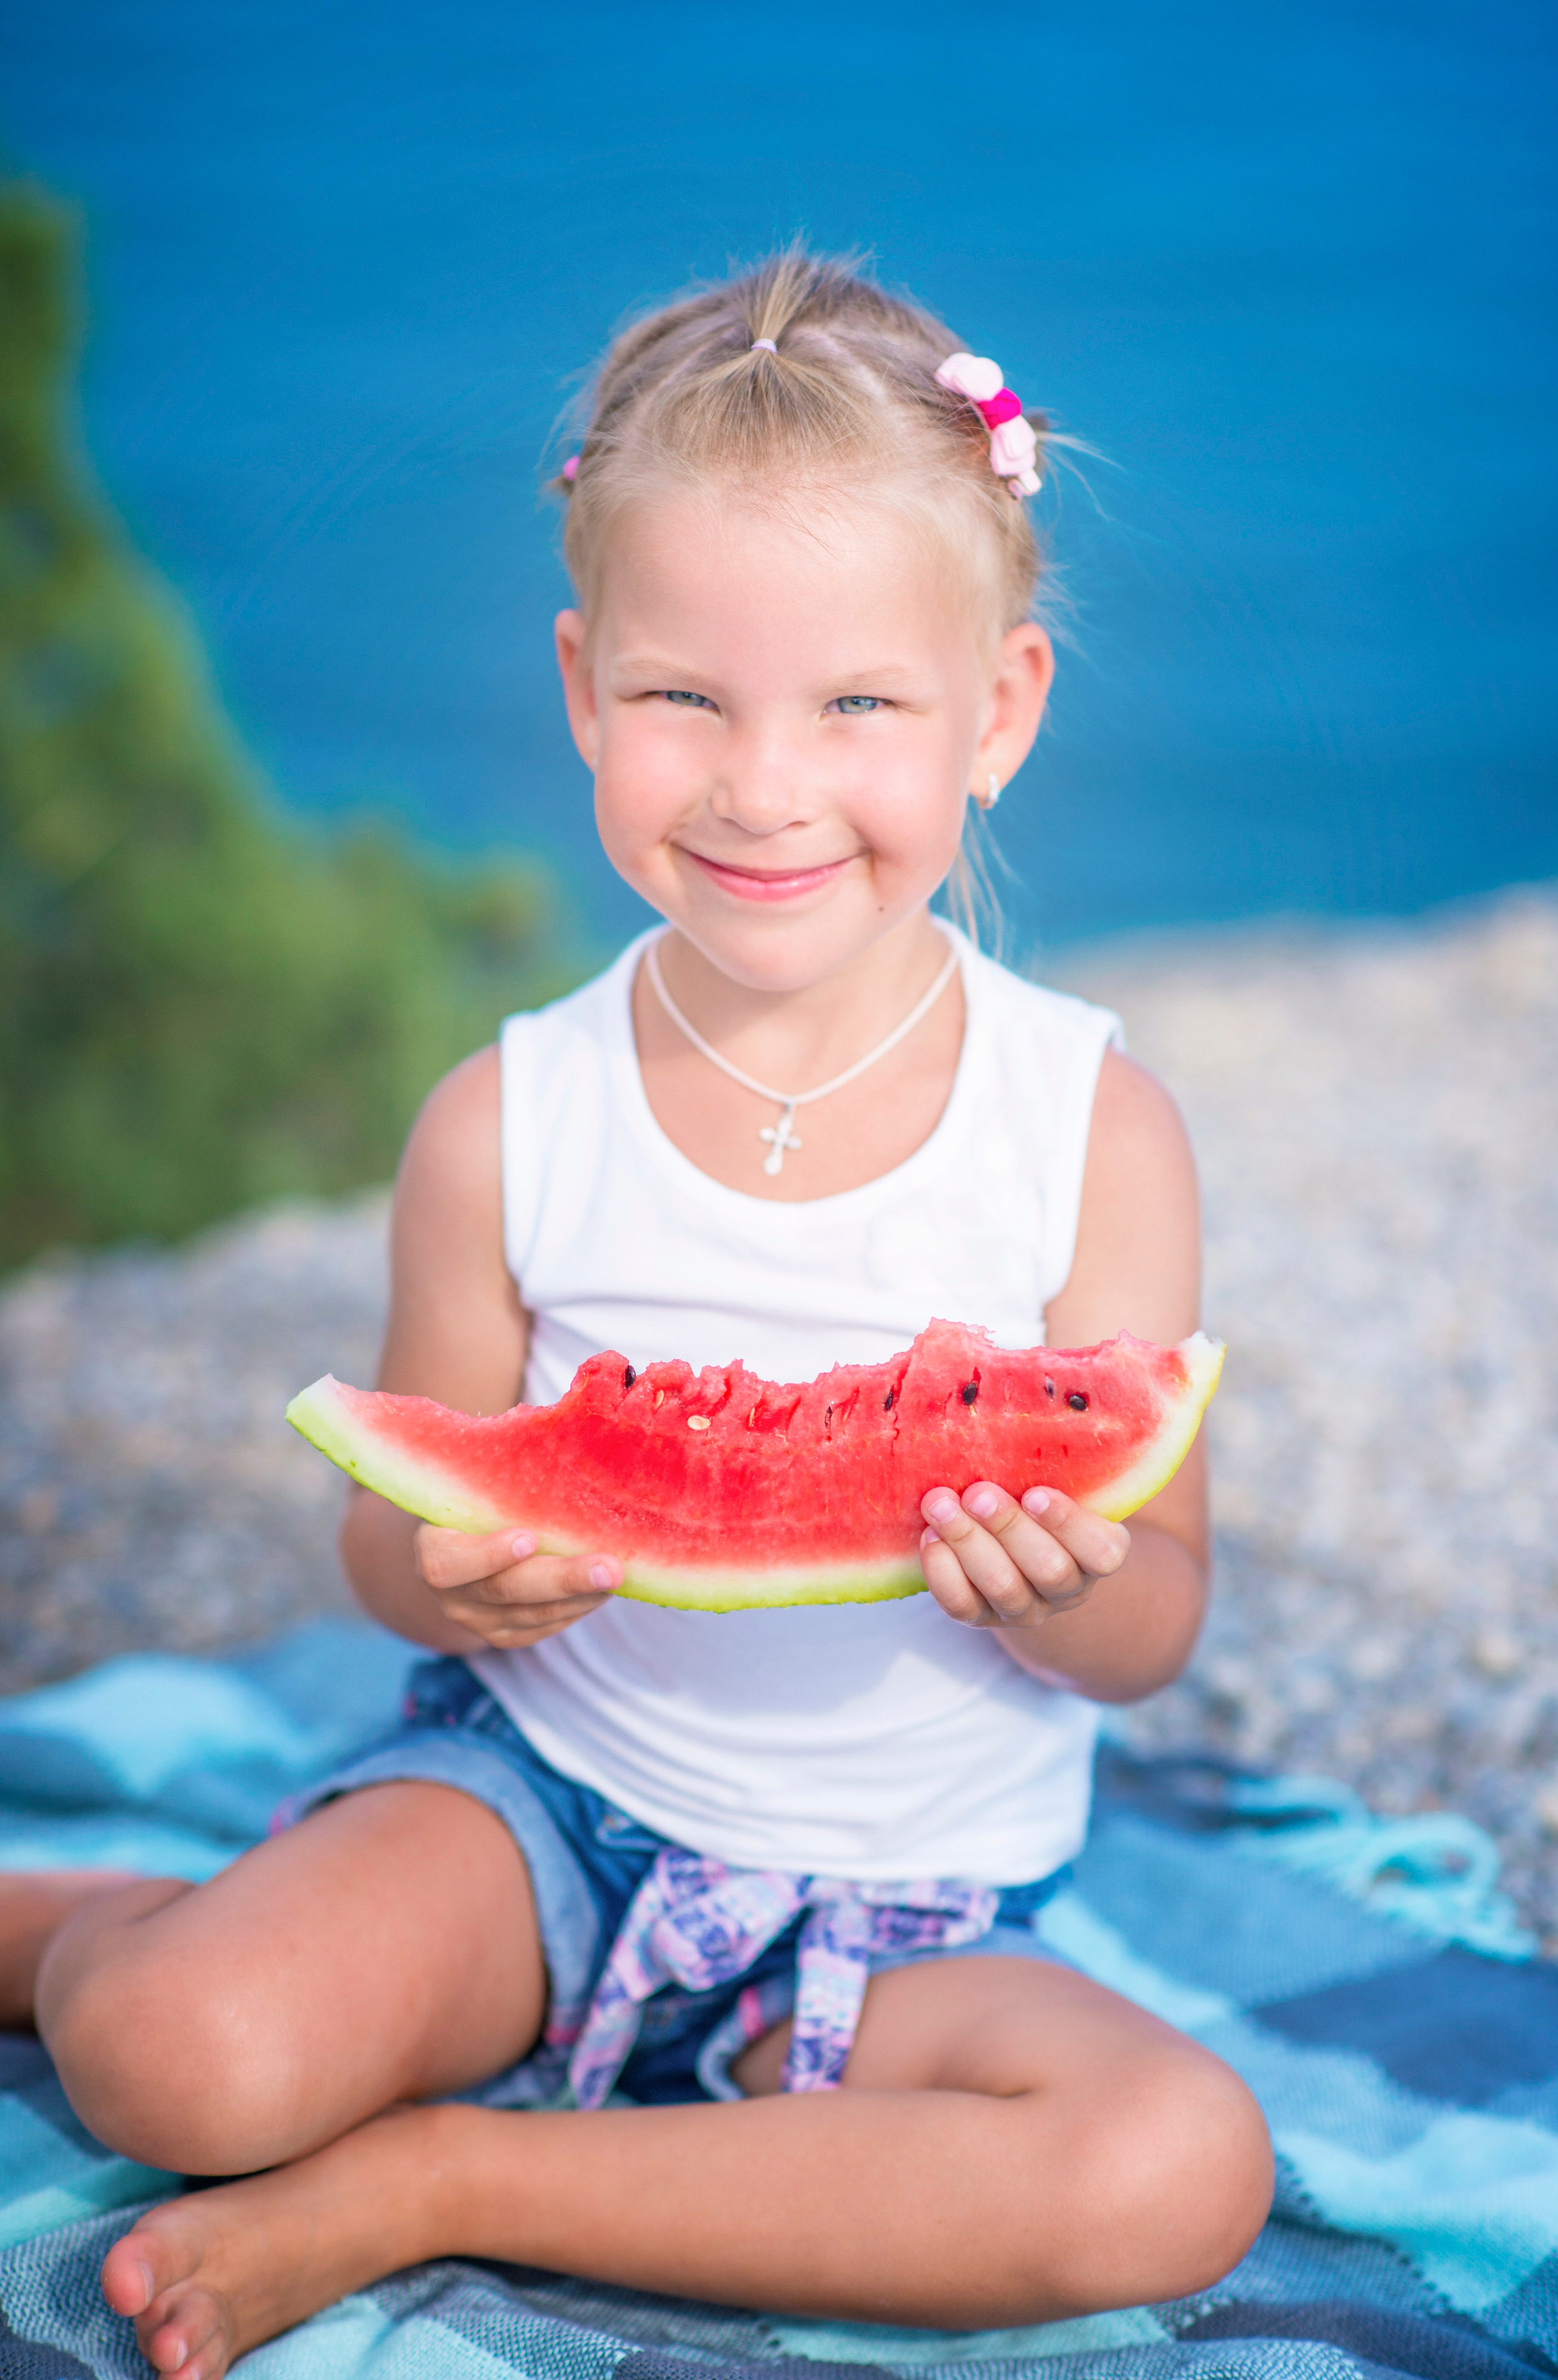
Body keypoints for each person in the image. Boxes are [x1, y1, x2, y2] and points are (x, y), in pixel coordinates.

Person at [19, 251, 1272, 2380]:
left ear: (999, 713)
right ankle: (93, 1923)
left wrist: (1066, 1591)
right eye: (687, 696)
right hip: (540, 1819)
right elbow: (391, 1535)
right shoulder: (508, 1120)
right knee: (175, 2055)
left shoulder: (1093, 1128)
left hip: (918, 1916)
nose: (764, 785)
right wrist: (447, 1572)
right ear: (584, 689)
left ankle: (439, 2175)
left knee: (1175, 2165)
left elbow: (1159, 1614)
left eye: (859, 706)